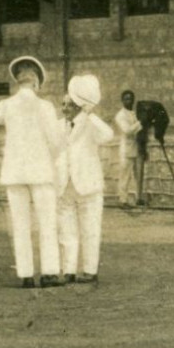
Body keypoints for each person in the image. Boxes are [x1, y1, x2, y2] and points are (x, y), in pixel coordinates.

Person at [0, 55, 66, 288]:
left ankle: (25, 274)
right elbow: (56, 141)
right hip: (41, 171)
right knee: (47, 223)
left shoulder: (5, 106)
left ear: (17, 80)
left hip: (14, 172)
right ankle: (49, 272)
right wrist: (51, 160)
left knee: (20, 224)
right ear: (36, 82)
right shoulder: (45, 107)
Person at [56, 74, 115, 283]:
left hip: (88, 186)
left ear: (80, 106)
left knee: (90, 229)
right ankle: (68, 270)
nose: (64, 109)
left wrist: (91, 114)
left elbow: (108, 135)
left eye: (69, 105)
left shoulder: (90, 124)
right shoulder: (57, 125)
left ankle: (90, 270)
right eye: (62, 104)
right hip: (64, 185)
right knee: (66, 232)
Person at [113, 89, 143, 208]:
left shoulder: (134, 113)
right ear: (122, 101)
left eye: (130, 99)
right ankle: (123, 200)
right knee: (125, 175)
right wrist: (140, 123)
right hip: (126, 149)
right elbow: (127, 130)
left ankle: (139, 198)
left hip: (136, 148)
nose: (129, 101)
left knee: (138, 175)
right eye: (126, 99)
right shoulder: (120, 115)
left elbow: (139, 129)